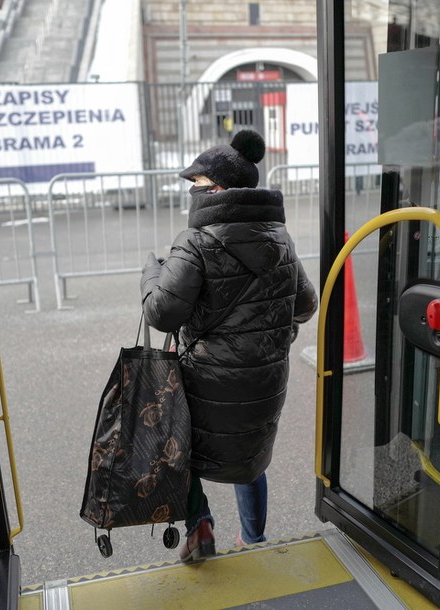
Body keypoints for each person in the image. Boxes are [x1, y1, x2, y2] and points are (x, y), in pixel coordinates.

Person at [139, 129, 317, 564]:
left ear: (217, 190)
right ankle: (253, 542)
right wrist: (273, 334)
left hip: (207, 378)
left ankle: (199, 524)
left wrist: (151, 274)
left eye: (196, 184)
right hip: (265, 378)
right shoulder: (279, 237)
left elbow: (161, 314)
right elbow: (306, 303)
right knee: (249, 457)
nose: (192, 192)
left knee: (184, 450)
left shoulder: (195, 242)